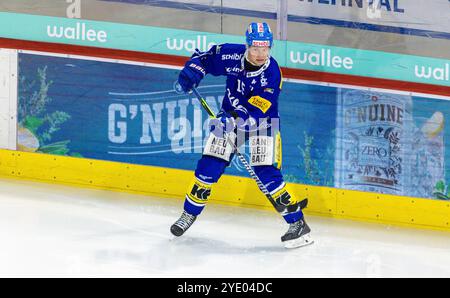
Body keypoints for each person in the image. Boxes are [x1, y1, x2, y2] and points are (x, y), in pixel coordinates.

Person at [170, 22, 313, 248]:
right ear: (247, 46)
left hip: (263, 123)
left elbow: (258, 109)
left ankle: (297, 224)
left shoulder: (272, 73)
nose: (260, 54)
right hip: (228, 117)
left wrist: (232, 121)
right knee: (208, 168)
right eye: (256, 49)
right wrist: (189, 76)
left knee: (267, 174)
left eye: (265, 49)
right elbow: (203, 58)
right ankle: (189, 214)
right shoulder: (231, 54)